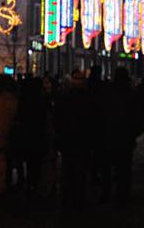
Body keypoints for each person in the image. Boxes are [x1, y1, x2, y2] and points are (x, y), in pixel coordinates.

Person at [98, 67, 141, 203]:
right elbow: (135, 116)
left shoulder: (107, 93)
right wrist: (133, 133)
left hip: (108, 135)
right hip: (125, 137)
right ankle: (123, 194)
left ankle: (106, 192)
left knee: (107, 167)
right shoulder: (130, 94)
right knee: (124, 168)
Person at [54, 70, 93, 209]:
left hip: (68, 139)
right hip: (82, 140)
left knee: (68, 170)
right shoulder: (88, 99)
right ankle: (79, 197)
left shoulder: (64, 99)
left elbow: (57, 119)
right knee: (80, 171)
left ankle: (67, 198)